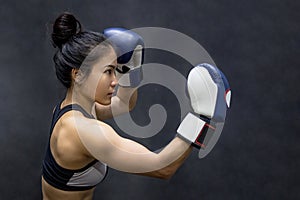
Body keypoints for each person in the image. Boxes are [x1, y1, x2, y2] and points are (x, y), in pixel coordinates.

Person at [41, 12, 230, 200]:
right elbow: (163, 167)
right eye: (108, 71)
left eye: (116, 70)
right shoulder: (82, 131)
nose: (115, 81)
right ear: (78, 74)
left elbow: (124, 104)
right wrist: (202, 118)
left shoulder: (73, 109)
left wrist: (131, 70)